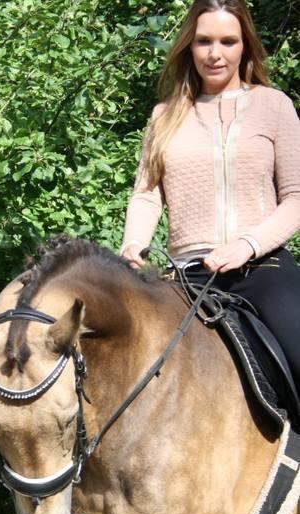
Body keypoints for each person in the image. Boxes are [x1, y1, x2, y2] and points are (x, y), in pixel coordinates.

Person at [120, 0, 300, 396]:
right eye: (204, 41)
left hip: (262, 269)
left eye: (227, 41)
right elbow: (147, 195)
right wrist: (134, 244)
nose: (214, 53)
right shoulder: (164, 115)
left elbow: (295, 198)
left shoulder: (275, 107)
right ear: (189, 45)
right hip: (187, 275)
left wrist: (247, 245)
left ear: (244, 46)